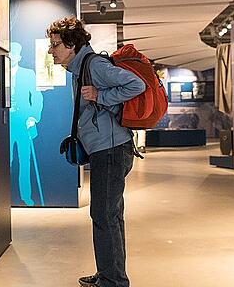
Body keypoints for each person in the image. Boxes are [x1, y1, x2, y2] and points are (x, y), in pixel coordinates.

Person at [46, 17, 145, 287]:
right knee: (108, 215)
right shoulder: (81, 68)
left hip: (111, 150)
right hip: (106, 149)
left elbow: (137, 85)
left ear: (71, 45)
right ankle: (109, 274)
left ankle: (113, 281)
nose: (50, 50)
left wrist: (101, 97)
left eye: (55, 45)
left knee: (104, 216)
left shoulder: (95, 65)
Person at [9, 42, 44, 206]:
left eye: (14, 54)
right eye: (9, 53)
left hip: (24, 123)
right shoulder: (0, 73)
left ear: (19, 57)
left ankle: (26, 196)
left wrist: (33, 117)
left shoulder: (28, 74)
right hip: (5, 123)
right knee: (5, 160)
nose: (11, 57)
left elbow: (37, 97)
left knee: (25, 161)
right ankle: (5, 195)